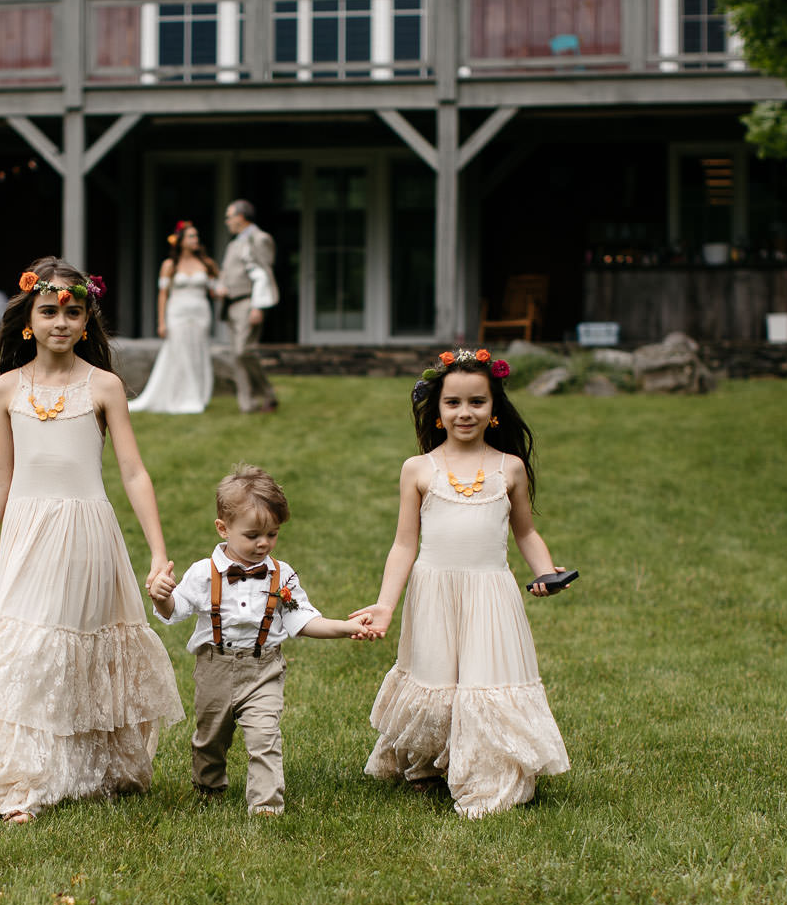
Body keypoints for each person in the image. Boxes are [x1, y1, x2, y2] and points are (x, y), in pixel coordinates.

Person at [0, 257, 184, 823]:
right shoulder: (7, 389)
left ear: (86, 320)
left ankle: (93, 767)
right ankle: (20, 783)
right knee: (27, 652)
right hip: (27, 535)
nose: (61, 322)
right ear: (29, 320)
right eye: (49, 311)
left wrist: (158, 552)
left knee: (75, 645)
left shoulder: (104, 386)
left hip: (86, 534)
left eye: (73, 313)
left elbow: (133, 472)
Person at [357, 349, 570, 817]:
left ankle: (490, 775)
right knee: (434, 679)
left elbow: (525, 532)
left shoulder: (509, 468)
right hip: (433, 593)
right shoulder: (418, 469)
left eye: (477, 401)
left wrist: (545, 572)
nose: (465, 412)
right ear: (438, 410)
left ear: (494, 409)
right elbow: (403, 545)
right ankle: (429, 762)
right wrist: (385, 605)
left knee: (487, 682)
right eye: (453, 403)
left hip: (491, 594)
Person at [146, 466, 371, 816]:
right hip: (215, 668)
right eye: (252, 535)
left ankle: (266, 804)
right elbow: (175, 611)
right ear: (223, 528)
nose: (263, 543)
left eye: (272, 534)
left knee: (265, 736)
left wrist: (343, 627)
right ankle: (208, 787)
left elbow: (302, 619)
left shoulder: (282, 575)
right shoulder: (204, 573)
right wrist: (162, 597)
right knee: (210, 738)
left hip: (264, 668)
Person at [129, 220, 222, 414]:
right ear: (180, 240)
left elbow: (215, 291)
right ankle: (178, 395)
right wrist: (161, 322)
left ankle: (198, 394)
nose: (195, 240)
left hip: (200, 313)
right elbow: (163, 294)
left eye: (196, 236)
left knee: (197, 351)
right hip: (177, 313)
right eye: (191, 236)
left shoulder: (206, 264)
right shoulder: (170, 265)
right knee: (179, 351)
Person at [218, 200, 280, 413]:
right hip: (231, 305)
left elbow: (263, 274)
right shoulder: (233, 244)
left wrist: (258, 306)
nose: (227, 221)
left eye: (229, 216)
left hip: (248, 302)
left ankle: (268, 393)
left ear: (241, 217)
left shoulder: (260, 239)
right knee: (236, 356)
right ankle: (247, 404)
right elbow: (227, 272)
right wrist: (221, 286)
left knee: (243, 351)